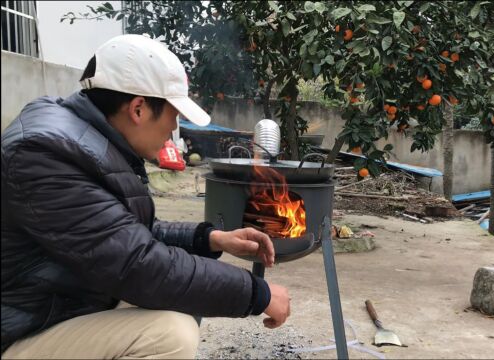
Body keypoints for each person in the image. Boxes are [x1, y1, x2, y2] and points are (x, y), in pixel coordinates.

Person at [1, 34, 290, 359]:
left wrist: (213, 239)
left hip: (59, 305)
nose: (174, 129)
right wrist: (257, 293)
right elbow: (137, 265)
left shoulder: (89, 137)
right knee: (170, 335)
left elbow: (123, 233)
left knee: (183, 303)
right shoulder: (45, 153)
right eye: (173, 115)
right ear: (138, 108)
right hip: (20, 329)